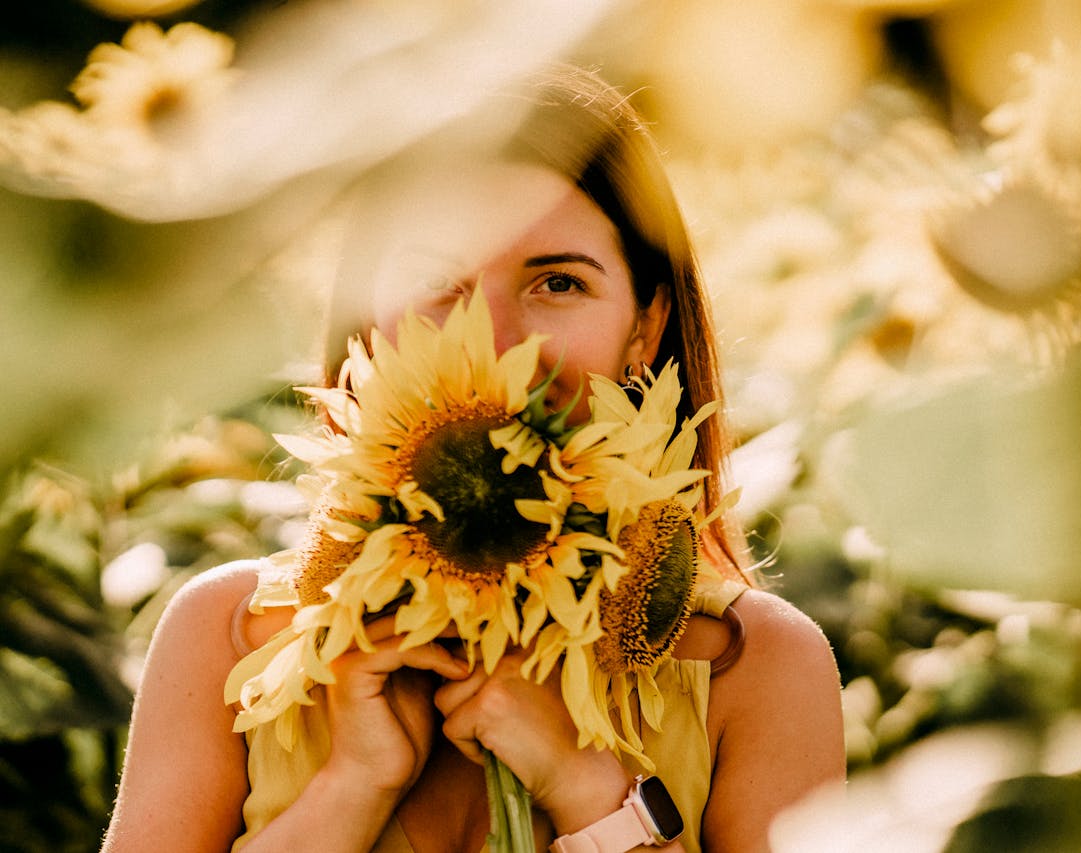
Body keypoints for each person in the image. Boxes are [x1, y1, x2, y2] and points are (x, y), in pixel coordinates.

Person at [101, 64, 845, 853]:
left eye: (557, 282)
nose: (491, 342)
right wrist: (351, 786)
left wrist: (588, 787)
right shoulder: (229, 637)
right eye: (435, 280)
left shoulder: (754, 666)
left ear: (645, 327)